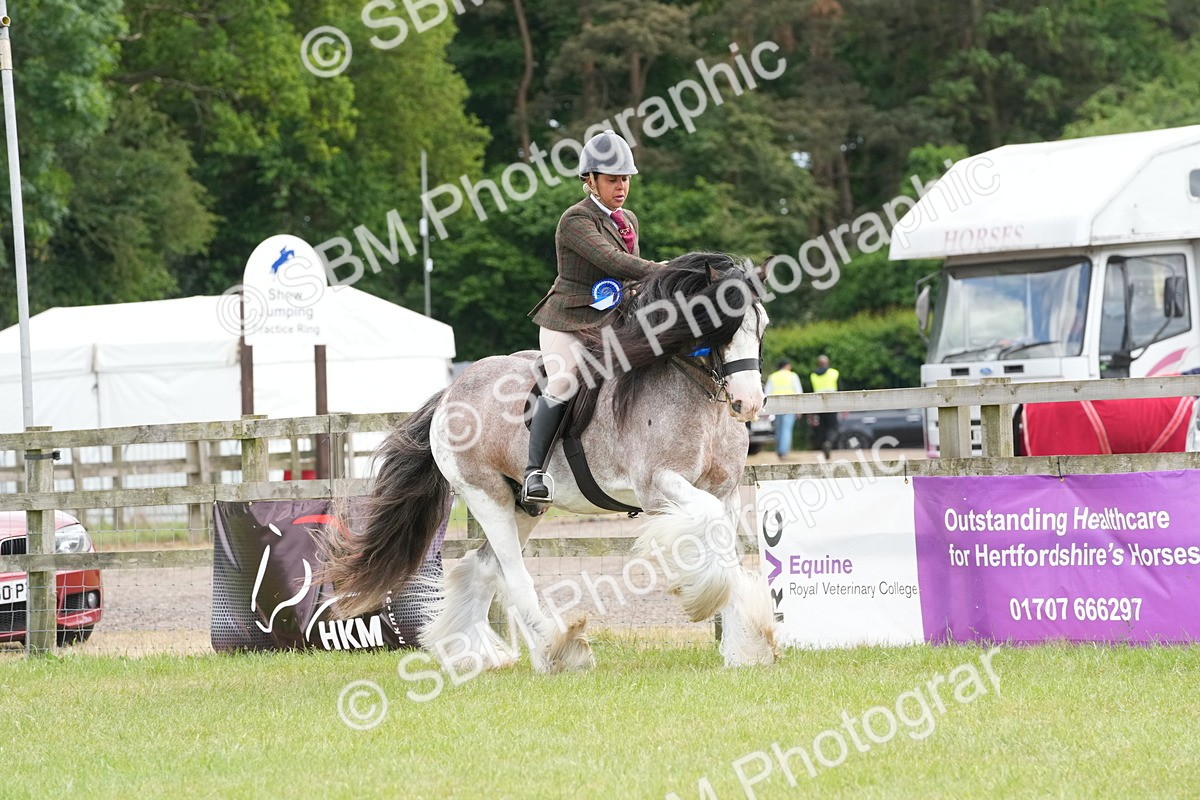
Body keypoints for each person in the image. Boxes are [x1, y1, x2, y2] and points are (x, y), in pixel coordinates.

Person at [522, 130, 661, 503]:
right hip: (568, 320)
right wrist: (661, 269)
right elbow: (613, 261)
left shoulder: (627, 219)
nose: (621, 187)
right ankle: (534, 472)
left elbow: (627, 278)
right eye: (613, 179)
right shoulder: (574, 220)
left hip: (613, 320)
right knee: (564, 381)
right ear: (590, 180)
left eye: (625, 179)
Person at [764, 358, 803, 459]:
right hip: (790, 406)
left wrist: (767, 409)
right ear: (787, 366)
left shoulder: (773, 376)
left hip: (776, 407)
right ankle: (783, 451)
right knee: (786, 429)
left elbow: (767, 392)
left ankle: (779, 450)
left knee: (779, 429)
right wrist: (800, 409)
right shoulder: (793, 376)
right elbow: (799, 392)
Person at [809, 354, 840, 459]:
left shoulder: (813, 375)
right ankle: (828, 443)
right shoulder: (834, 373)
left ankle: (823, 446)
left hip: (818, 405)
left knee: (821, 427)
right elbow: (840, 389)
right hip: (832, 404)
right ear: (827, 363)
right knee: (832, 427)